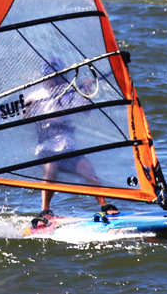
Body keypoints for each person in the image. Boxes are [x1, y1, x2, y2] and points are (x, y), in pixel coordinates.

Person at [24, 67, 119, 229]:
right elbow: (25, 116)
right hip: (47, 148)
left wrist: (86, 91)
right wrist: (28, 108)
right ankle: (45, 210)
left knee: (87, 168)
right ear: (46, 78)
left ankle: (104, 205)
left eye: (60, 77)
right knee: (51, 167)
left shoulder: (69, 93)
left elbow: (86, 110)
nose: (56, 81)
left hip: (68, 148)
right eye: (53, 77)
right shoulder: (36, 96)